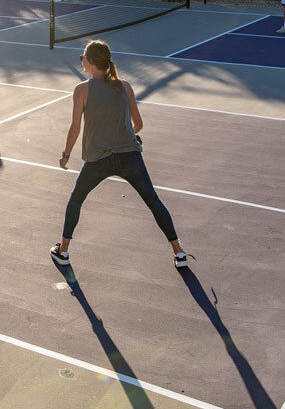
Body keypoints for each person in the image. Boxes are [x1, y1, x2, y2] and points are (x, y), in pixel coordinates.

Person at [52, 40, 189, 269]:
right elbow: (138, 124)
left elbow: (75, 127)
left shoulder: (82, 89)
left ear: (92, 62)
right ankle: (180, 253)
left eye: (83, 57)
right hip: (130, 157)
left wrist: (66, 154)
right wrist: (121, 136)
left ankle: (63, 251)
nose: (82, 60)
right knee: (153, 201)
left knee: (76, 199)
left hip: (97, 161)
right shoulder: (125, 86)